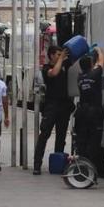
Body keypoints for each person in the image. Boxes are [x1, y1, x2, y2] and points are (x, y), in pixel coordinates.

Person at [33, 46, 74, 175]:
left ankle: (58, 164)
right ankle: (37, 164)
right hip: (51, 105)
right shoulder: (46, 68)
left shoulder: (65, 64)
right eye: (57, 54)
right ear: (51, 56)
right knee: (44, 135)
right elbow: (54, 73)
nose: (59, 56)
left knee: (61, 137)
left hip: (64, 106)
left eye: (60, 55)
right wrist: (61, 59)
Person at [74, 48, 104, 171]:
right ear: (92, 64)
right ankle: (91, 168)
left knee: (82, 140)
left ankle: (81, 167)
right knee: (94, 141)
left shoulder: (80, 77)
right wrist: (99, 50)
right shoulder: (95, 74)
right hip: (94, 113)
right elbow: (102, 61)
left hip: (82, 113)